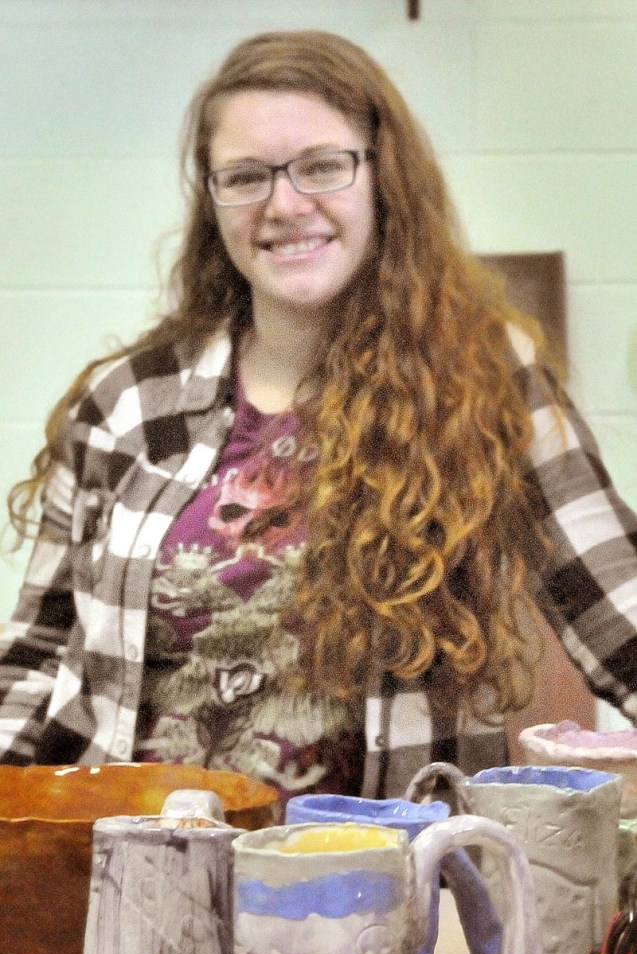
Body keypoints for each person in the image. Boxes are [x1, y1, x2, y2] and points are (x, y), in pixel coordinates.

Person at [2, 29, 637, 804]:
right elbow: (36, 657)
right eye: (244, 177)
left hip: (389, 890)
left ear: (382, 178)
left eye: (321, 167)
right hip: (131, 883)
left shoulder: (480, 382)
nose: (284, 204)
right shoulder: (129, 404)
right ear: (212, 201)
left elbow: (616, 611)